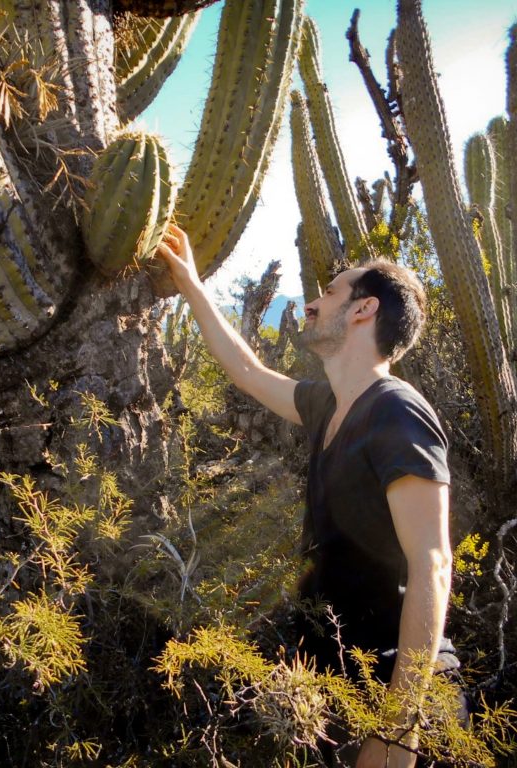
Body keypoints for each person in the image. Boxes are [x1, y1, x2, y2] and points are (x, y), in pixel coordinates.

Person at [156, 224, 452, 768]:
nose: (312, 304)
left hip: (390, 688)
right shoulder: (327, 403)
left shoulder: (396, 410)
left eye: (331, 291)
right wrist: (193, 285)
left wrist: (398, 730)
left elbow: (432, 563)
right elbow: (248, 371)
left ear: (364, 310)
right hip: (335, 680)